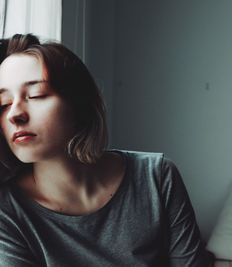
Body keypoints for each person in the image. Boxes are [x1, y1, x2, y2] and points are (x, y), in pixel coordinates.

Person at [0, 33, 209, 266]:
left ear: (79, 105)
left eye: (36, 95)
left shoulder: (157, 177)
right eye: (3, 104)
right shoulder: (7, 210)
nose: (14, 114)